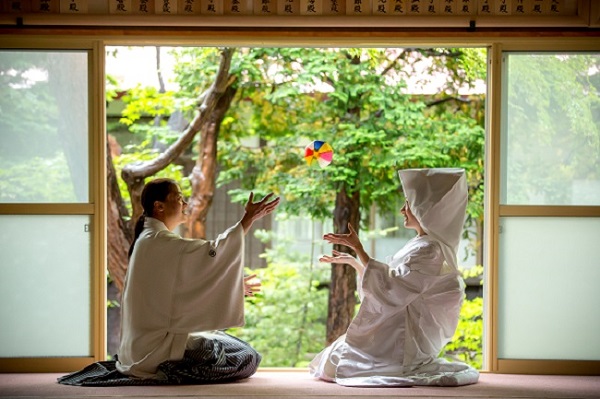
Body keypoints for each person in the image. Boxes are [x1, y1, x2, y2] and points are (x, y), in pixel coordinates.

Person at [58, 177, 279, 386]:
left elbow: (186, 283)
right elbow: (213, 252)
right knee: (247, 357)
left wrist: (230, 284)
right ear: (159, 206)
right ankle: (168, 372)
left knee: (236, 347)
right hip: (155, 350)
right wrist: (248, 218)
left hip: (144, 346)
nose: (184, 203)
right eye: (178, 197)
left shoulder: (151, 239)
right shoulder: (157, 240)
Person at [309, 168, 480, 387]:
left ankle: (400, 362)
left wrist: (359, 249)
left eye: (408, 204)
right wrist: (354, 261)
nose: (402, 210)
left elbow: (392, 289)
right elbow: (391, 285)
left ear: (424, 210)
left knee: (337, 360)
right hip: (397, 328)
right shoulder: (423, 244)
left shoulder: (430, 249)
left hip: (404, 339)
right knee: (334, 357)